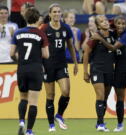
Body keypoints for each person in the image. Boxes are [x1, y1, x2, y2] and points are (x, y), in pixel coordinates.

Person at [91, 15, 126, 132]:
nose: (121, 26)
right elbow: (103, 24)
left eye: (123, 24)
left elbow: (112, 48)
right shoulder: (112, 32)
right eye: (119, 23)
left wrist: (100, 39)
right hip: (119, 68)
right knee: (120, 98)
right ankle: (120, 124)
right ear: (115, 24)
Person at [10, 7, 49, 135]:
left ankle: (21, 121)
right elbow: (46, 55)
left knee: (23, 98)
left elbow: (11, 53)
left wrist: (20, 60)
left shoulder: (17, 32)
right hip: (35, 68)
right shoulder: (41, 34)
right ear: (38, 19)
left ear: (25, 18)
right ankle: (29, 131)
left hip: (22, 68)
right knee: (33, 102)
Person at [40, 3, 78, 132]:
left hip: (62, 65)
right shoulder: (44, 28)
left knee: (66, 92)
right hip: (48, 65)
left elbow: (71, 46)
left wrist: (76, 63)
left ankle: (59, 115)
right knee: (50, 95)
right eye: (54, 12)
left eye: (58, 12)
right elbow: (38, 47)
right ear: (50, 14)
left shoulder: (66, 28)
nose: (57, 14)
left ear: (61, 14)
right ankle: (51, 124)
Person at [83, 15, 115, 132]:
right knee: (100, 96)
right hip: (97, 69)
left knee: (105, 98)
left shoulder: (113, 35)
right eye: (101, 21)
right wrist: (85, 72)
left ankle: (99, 122)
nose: (105, 22)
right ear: (98, 25)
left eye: (106, 20)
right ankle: (101, 124)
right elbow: (86, 53)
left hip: (109, 70)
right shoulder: (94, 37)